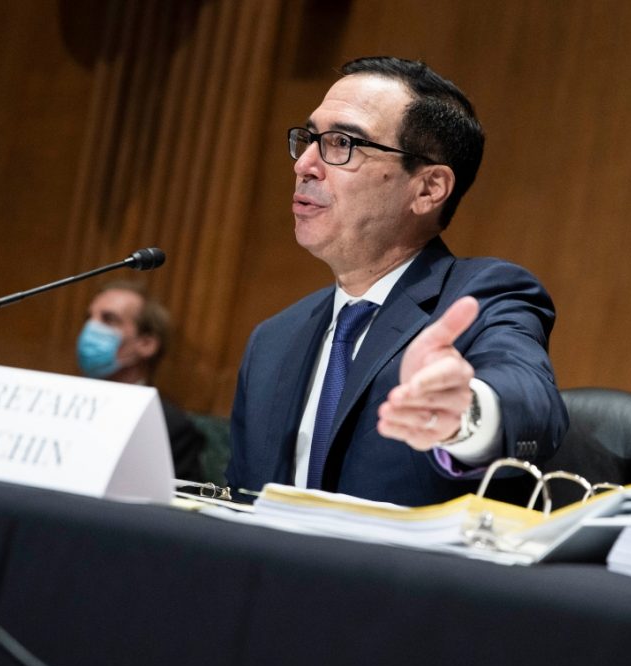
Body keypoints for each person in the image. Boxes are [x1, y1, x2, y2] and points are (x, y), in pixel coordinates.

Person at [226, 56, 567, 506]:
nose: (304, 164)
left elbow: (534, 404)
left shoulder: (483, 297)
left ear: (428, 188)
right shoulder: (272, 341)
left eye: (341, 143)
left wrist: (464, 412)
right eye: (309, 139)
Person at [77, 281, 205, 481]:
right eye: (89, 318)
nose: (91, 328)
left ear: (146, 344)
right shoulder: (61, 405)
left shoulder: (169, 426)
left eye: (108, 320)